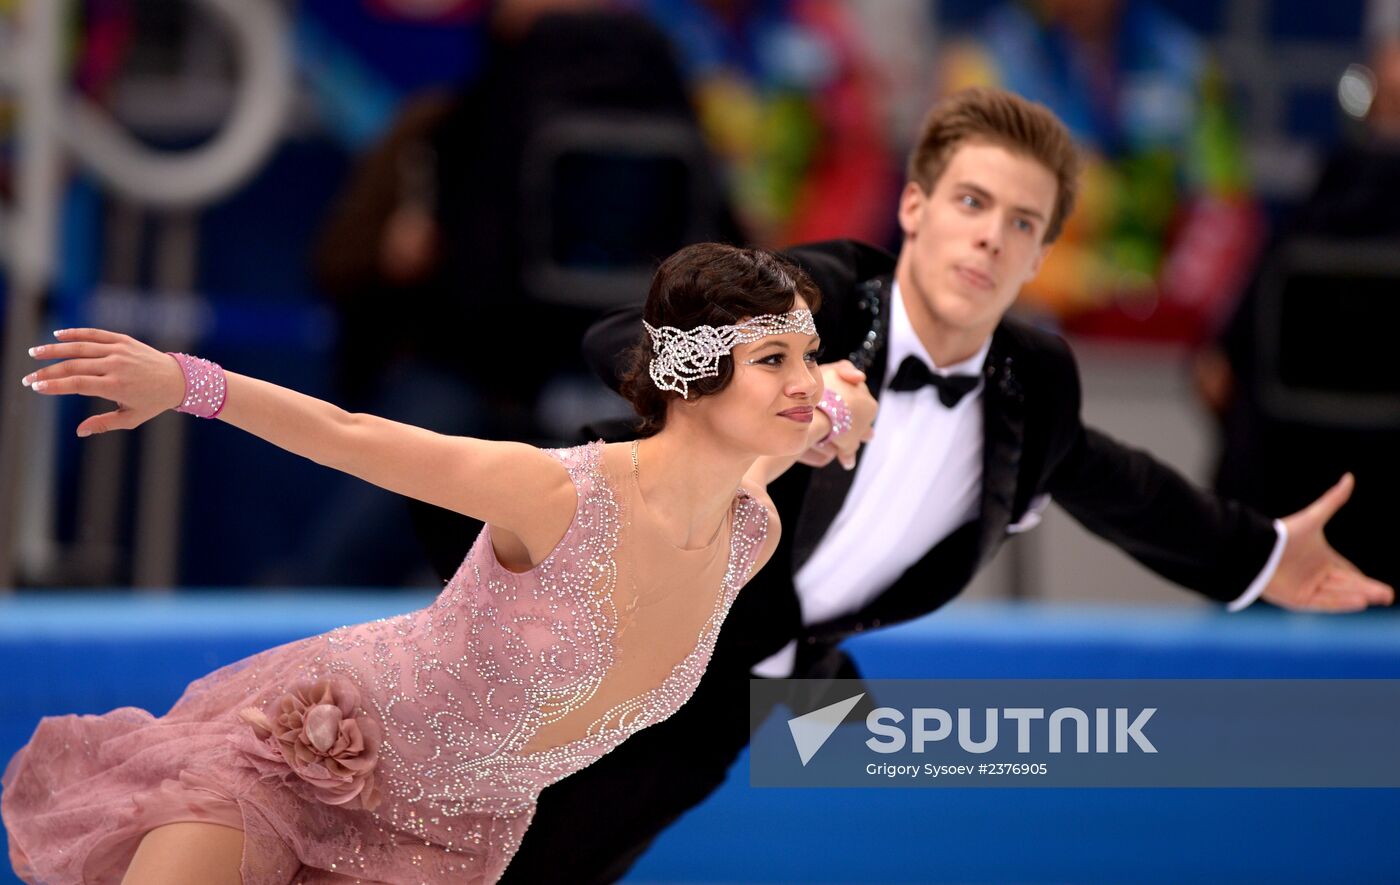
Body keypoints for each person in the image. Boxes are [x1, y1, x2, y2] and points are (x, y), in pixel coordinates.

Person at [488, 87, 1395, 884]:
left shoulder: (1031, 384)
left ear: (1041, 253)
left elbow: (1122, 485)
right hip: (610, 610)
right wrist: (776, 384)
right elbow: (620, 341)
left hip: (749, 676)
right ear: (914, 206)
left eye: (1023, 221)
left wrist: (1265, 554)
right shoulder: (822, 300)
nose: (992, 235)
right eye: (972, 200)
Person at [2, 244, 858, 884]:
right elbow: (355, 436)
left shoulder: (751, 533)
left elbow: (758, 460)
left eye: (809, 355)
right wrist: (185, 381)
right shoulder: (557, 494)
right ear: (693, 377)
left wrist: (826, 412)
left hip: (442, 842)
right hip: (307, 758)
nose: (804, 379)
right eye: (774, 359)